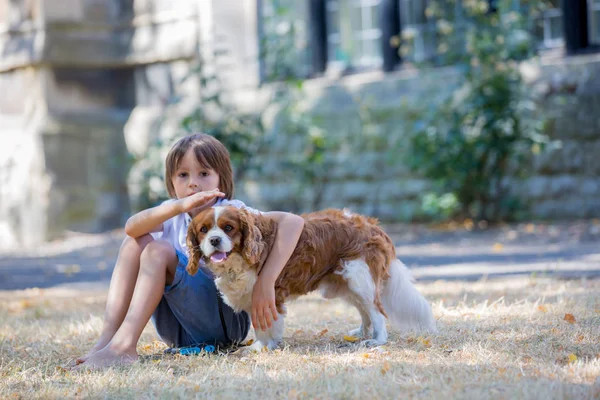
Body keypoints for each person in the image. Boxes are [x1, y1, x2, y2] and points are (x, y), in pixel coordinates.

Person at [74, 133, 304, 368]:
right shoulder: (172, 213)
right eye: (183, 175)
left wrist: (266, 281)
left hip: (225, 325)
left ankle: (123, 347)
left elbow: (293, 222)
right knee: (135, 242)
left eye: (203, 174)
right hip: (177, 330)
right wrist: (178, 206)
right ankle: (108, 341)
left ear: (220, 181)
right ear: (172, 183)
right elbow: (131, 227)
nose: (193, 183)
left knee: (159, 250)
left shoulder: (231, 212)